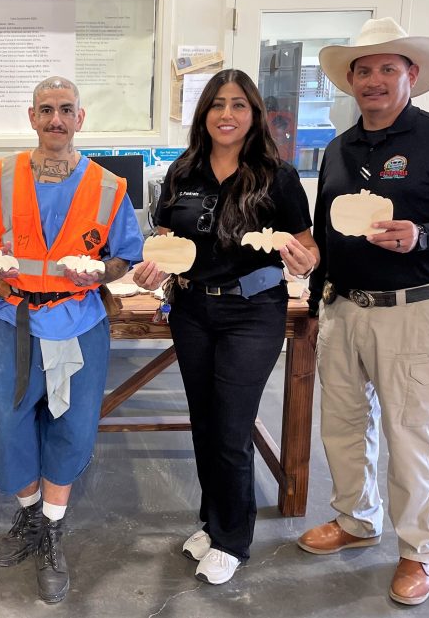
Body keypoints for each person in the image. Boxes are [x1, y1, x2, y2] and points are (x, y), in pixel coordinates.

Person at [299, 18, 429, 605]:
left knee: (410, 435)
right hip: (344, 308)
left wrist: (425, 236)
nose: (374, 80)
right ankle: (356, 520)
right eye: (363, 70)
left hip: (412, 312)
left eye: (388, 68)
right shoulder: (340, 149)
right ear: (350, 81)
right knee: (341, 428)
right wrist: (315, 295)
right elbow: (326, 232)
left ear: (411, 75)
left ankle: (417, 551)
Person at [132, 69, 318, 585]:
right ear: (204, 114)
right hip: (192, 309)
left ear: (254, 114)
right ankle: (213, 524)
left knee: (233, 427)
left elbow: (307, 244)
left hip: (251, 312)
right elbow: (168, 236)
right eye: (217, 104)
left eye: (238, 104)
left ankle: (235, 539)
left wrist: (304, 260)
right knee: (205, 422)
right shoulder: (184, 169)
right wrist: (155, 265)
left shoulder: (275, 176)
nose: (227, 114)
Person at [0, 76, 144, 604]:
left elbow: (125, 256)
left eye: (65, 110)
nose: (55, 120)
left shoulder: (110, 187)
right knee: (13, 424)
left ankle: (51, 528)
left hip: (79, 322)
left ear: (80, 118)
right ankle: (28, 516)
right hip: (12, 320)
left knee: (72, 428)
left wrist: (102, 272)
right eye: (45, 110)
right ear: (31, 117)